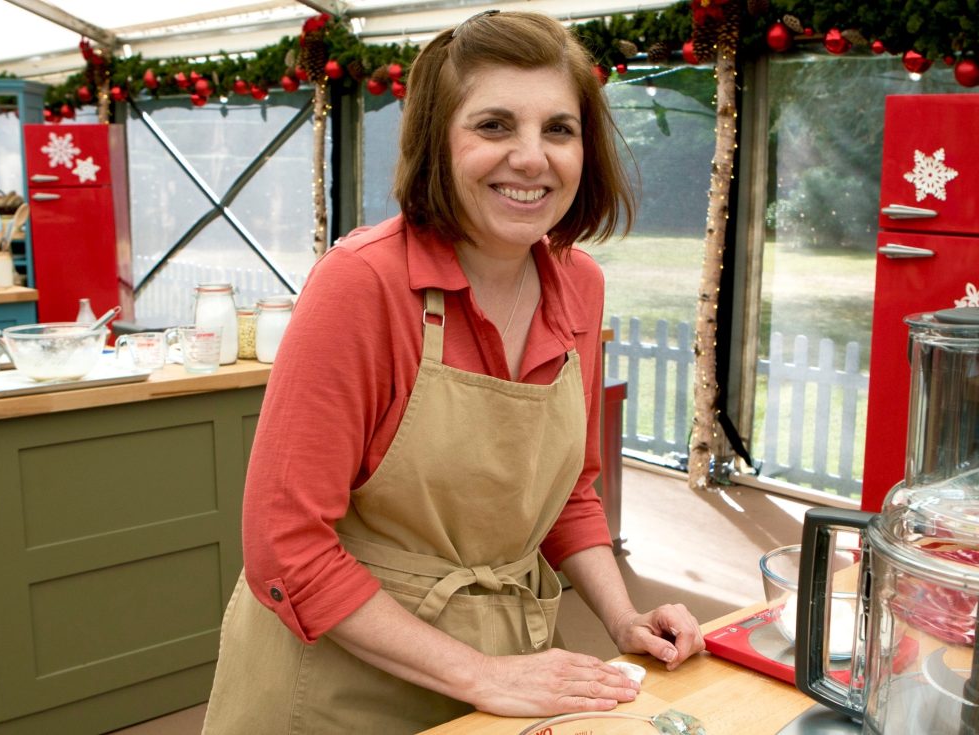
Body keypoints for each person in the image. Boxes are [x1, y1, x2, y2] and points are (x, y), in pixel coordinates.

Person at [203, 10, 705, 733]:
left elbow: (570, 494)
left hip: (506, 670)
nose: (532, 157)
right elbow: (285, 546)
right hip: (336, 685)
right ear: (436, 142)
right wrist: (480, 673)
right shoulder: (361, 284)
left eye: (559, 129)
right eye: (495, 125)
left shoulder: (580, 286)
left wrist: (625, 616)